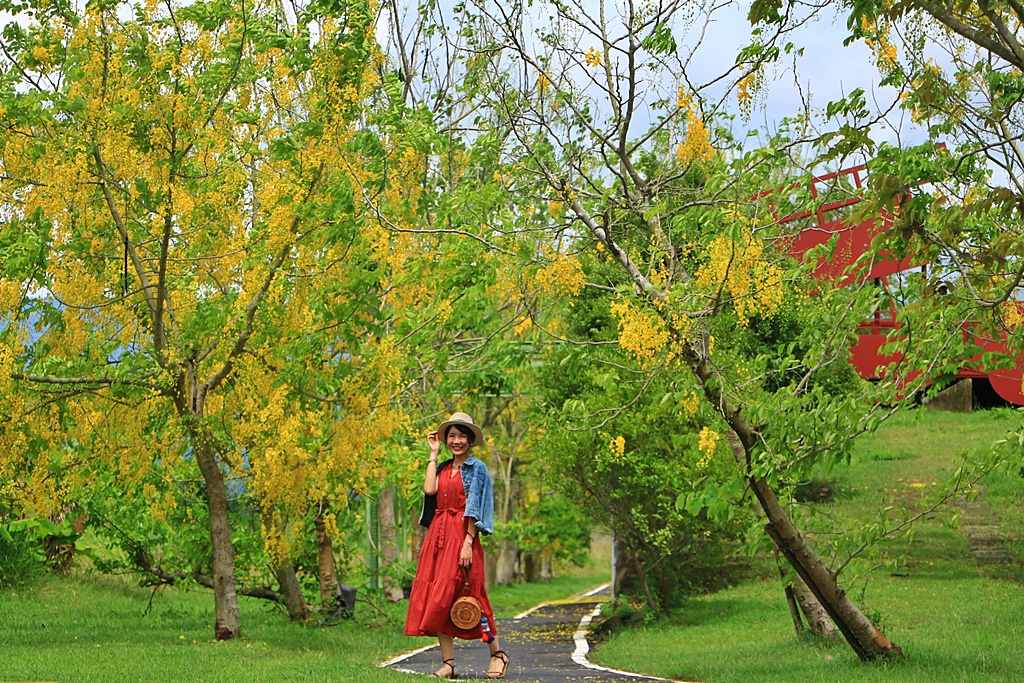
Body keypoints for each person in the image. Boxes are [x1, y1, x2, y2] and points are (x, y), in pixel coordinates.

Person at [405, 412, 510, 679]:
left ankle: (497, 655)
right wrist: (433, 454)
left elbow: (474, 509)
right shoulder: (441, 468)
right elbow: (430, 490)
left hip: (463, 537)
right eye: (451, 435)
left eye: (462, 435)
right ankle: (449, 663)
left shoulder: (478, 469)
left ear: (471, 440)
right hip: (438, 538)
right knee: (439, 599)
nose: (456, 441)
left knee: (474, 594)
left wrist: (467, 542)